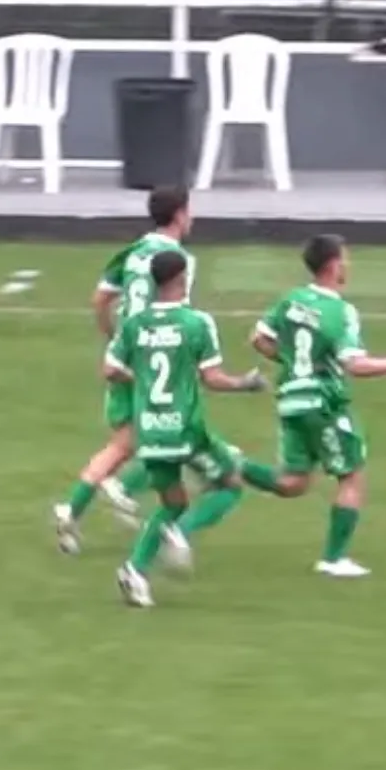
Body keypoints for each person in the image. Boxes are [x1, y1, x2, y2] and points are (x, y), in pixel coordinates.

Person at [237, 234, 386, 578]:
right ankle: (334, 559)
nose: (348, 265)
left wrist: (293, 362)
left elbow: (258, 338)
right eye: (345, 259)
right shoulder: (341, 311)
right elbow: (354, 364)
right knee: (351, 476)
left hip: (291, 398)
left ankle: (230, 463)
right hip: (324, 402)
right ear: (334, 265)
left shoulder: (291, 299)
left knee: (293, 482)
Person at [104, 250, 266, 607]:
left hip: (150, 431)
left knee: (173, 500)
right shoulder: (197, 322)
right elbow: (213, 379)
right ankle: (179, 534)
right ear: (181, 279)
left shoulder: (134, 323)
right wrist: (246, 383)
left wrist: (142, 379)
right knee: (230, 483)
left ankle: (134, 571)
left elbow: (110, 370)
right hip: (185, 431)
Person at [53, 187, 196, 553]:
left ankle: (72, 510)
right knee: (171, 437)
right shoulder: (177, 259)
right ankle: (123, 496)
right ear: (180, 214)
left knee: (125, 442)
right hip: (155, 356)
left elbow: (100, 299)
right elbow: (175, 312)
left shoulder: (132, 252)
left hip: (126, 353)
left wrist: (115, 339)